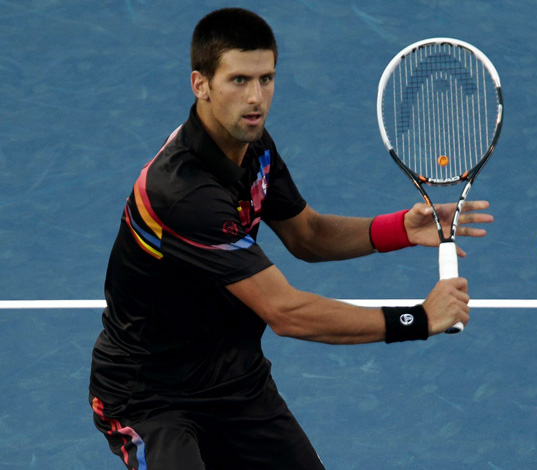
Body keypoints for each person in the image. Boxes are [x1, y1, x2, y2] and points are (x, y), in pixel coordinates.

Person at [89, 7, 493, 470]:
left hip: (233, 381)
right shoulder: (182, 194)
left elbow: (309, 235)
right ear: (200, 84)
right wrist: (416, 319)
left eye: (266, 79)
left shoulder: (254, 146)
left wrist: (400, 228)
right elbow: (285, 312)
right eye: (238, 80)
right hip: (150, 395)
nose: (256, 97)